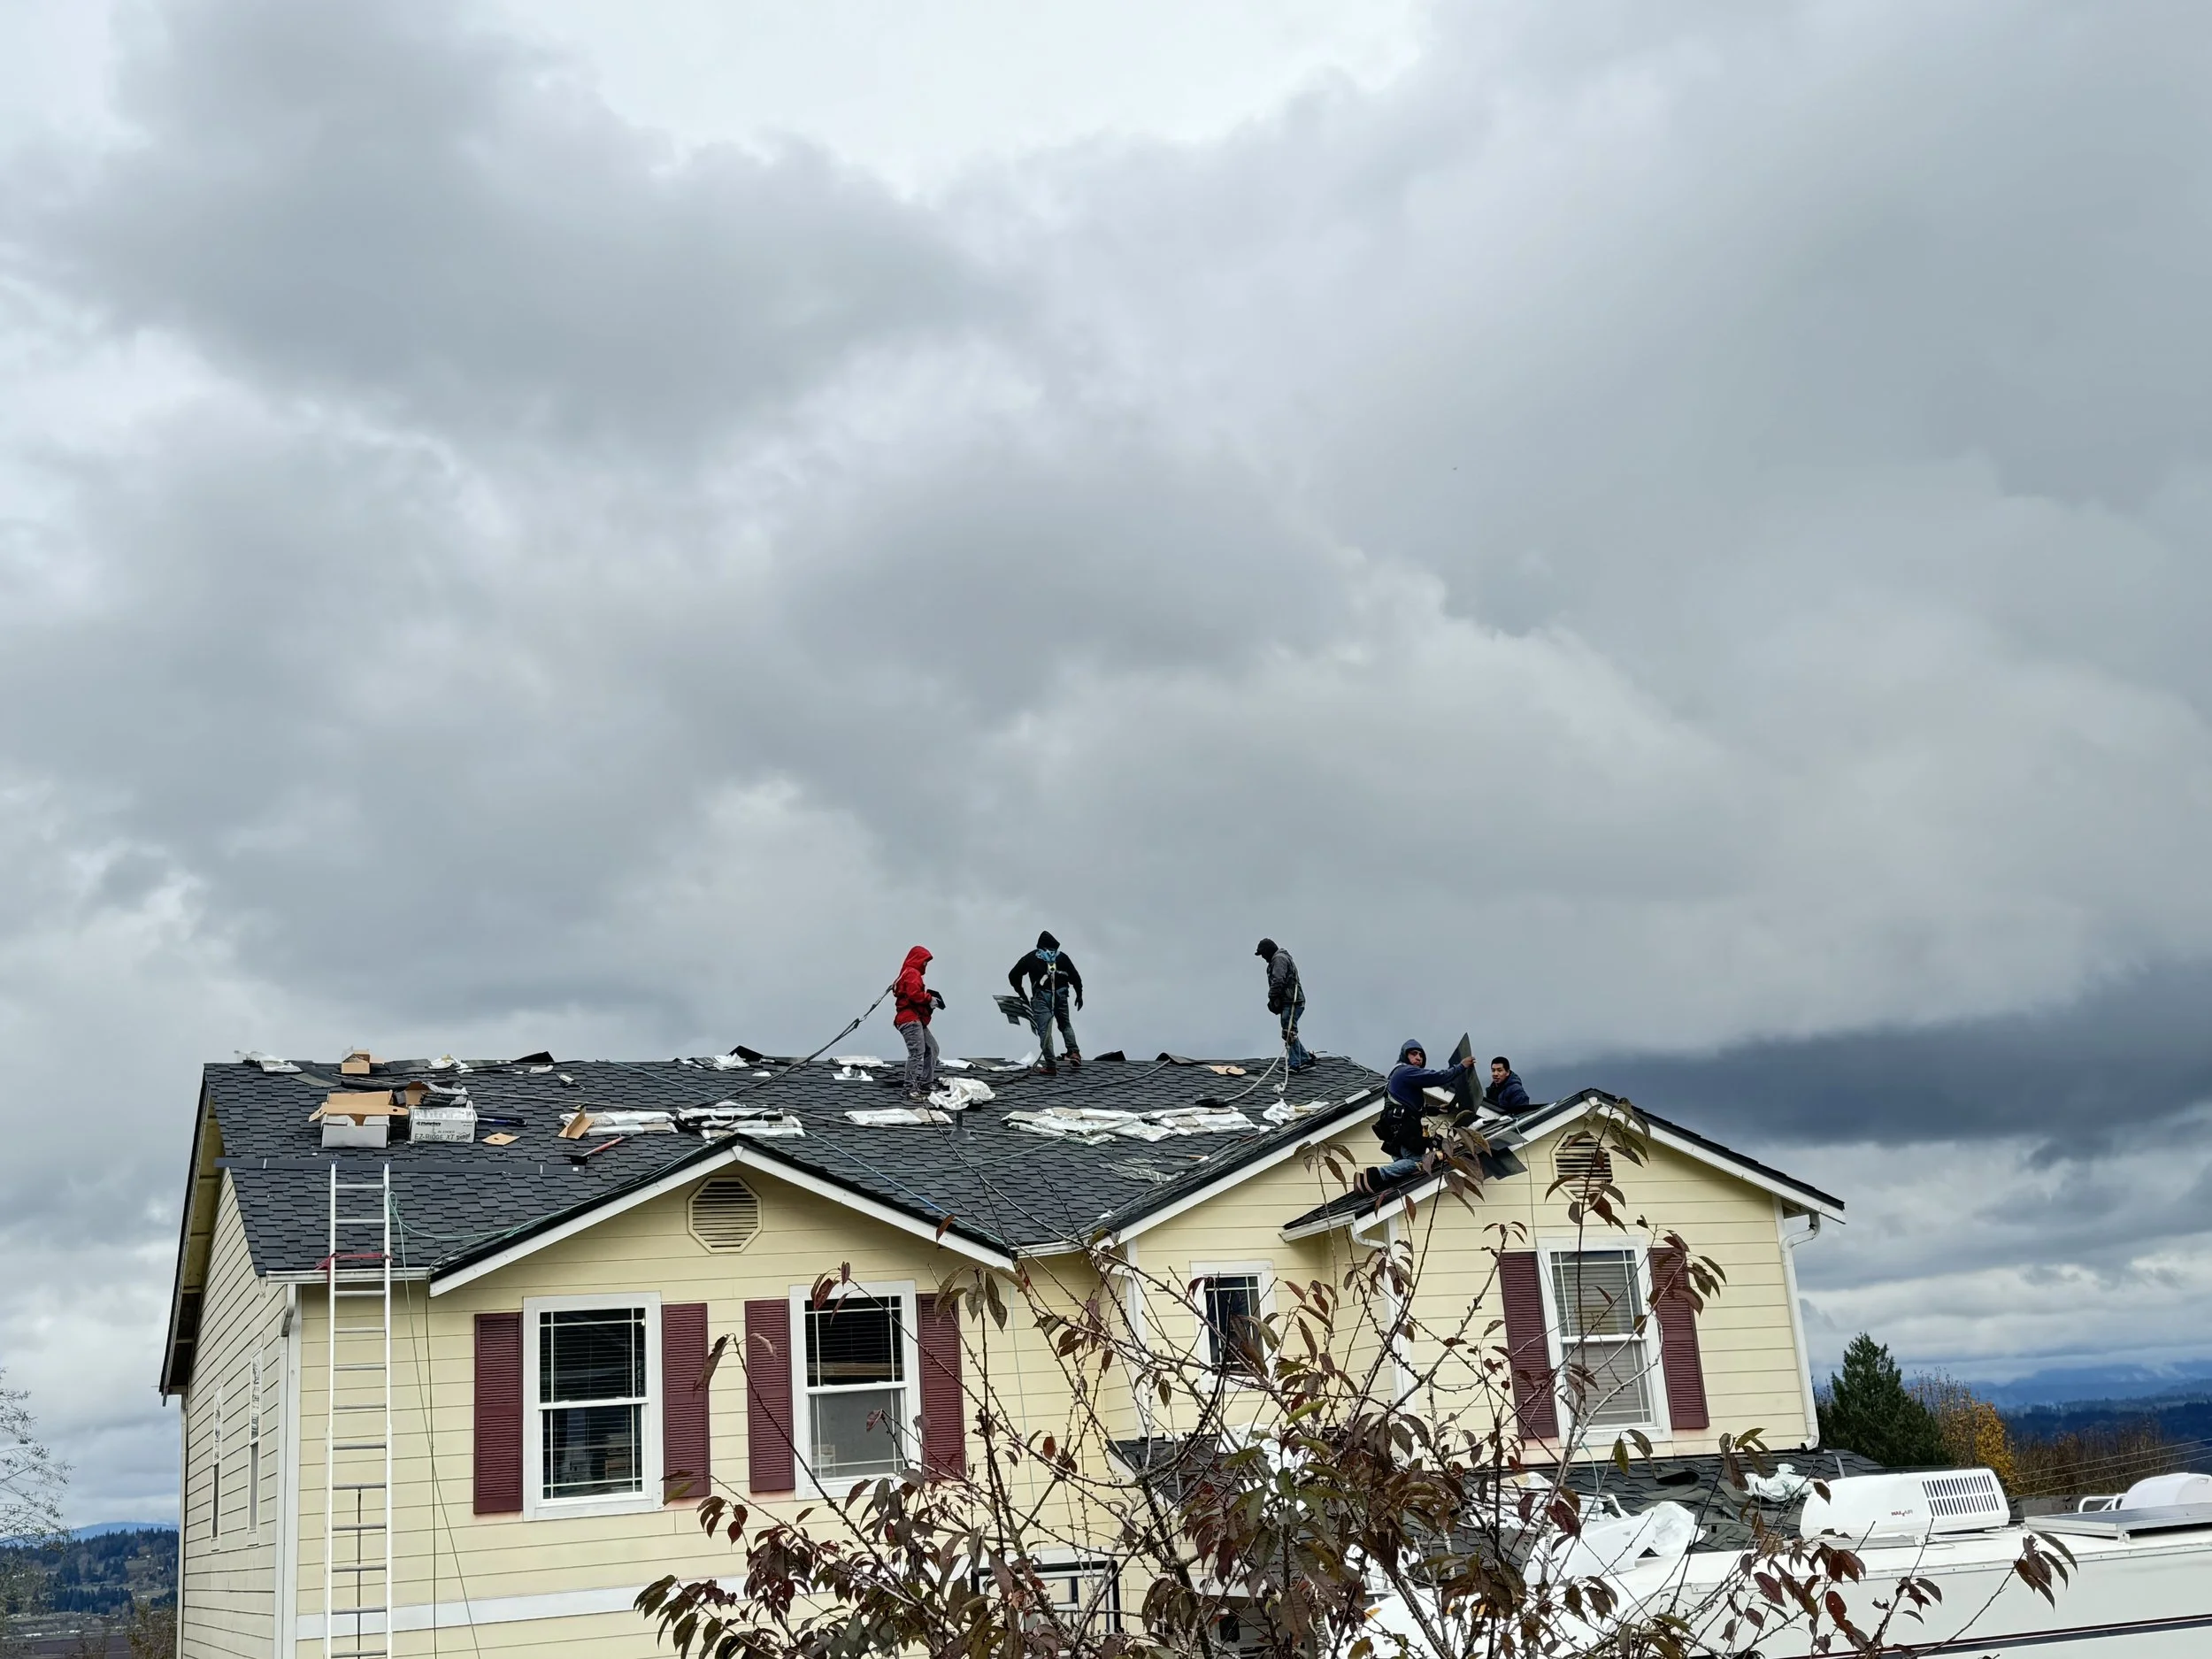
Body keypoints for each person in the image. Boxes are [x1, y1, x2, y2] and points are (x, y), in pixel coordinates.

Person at [1362, 1039, 1481, 1192]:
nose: (1418, 1058)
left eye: (1421, 1055)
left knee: (1404, 1168)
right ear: (1404, 1056)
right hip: (1405, 1127)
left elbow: (1413, 1106)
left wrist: (1437, 1110)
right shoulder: (1406, 1071)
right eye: (1413, 1054)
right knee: (1418, 1161)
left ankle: (1368, 1183)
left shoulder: (1398, 1075)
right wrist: (1460, 1067)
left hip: (1394, 1128)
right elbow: (1438, 1077)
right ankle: (1375, 1175)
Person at [1007, 931, 1083, 1075]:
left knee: (1044, 1030)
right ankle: (1074, 1053)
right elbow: (1075, 977)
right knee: (1065, 1024)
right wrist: (1079, 994)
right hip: (1061, 994)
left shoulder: (1031, 957)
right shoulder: (1062, 958)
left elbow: (1013, 975)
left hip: (1041, 997)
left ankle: (1051, 1065)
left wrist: (1021, 992)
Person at [892, 945, 945, 1101]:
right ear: (918, 960)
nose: (925, 965)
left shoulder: (908, 974)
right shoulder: (911, 973)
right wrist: (930, 999)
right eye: (925, 962)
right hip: (910, 1020)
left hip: (916, 1020)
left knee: (932, 1048)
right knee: (917, 1052)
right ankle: (910, 1089)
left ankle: (925, 1083)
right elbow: (915, 995)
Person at [1254, 938, 1313, 1071]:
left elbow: (1278, 980)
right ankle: (1304, 1059)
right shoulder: (1280, 958)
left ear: (1268, 951)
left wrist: (1272, 997)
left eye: (1263, 954)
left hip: (1292, 1002)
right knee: (1289, 1031)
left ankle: (1295, 1064)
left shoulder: (1278, 959)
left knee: (1289, 1032)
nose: (1263, 957)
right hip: (1292, 1001)